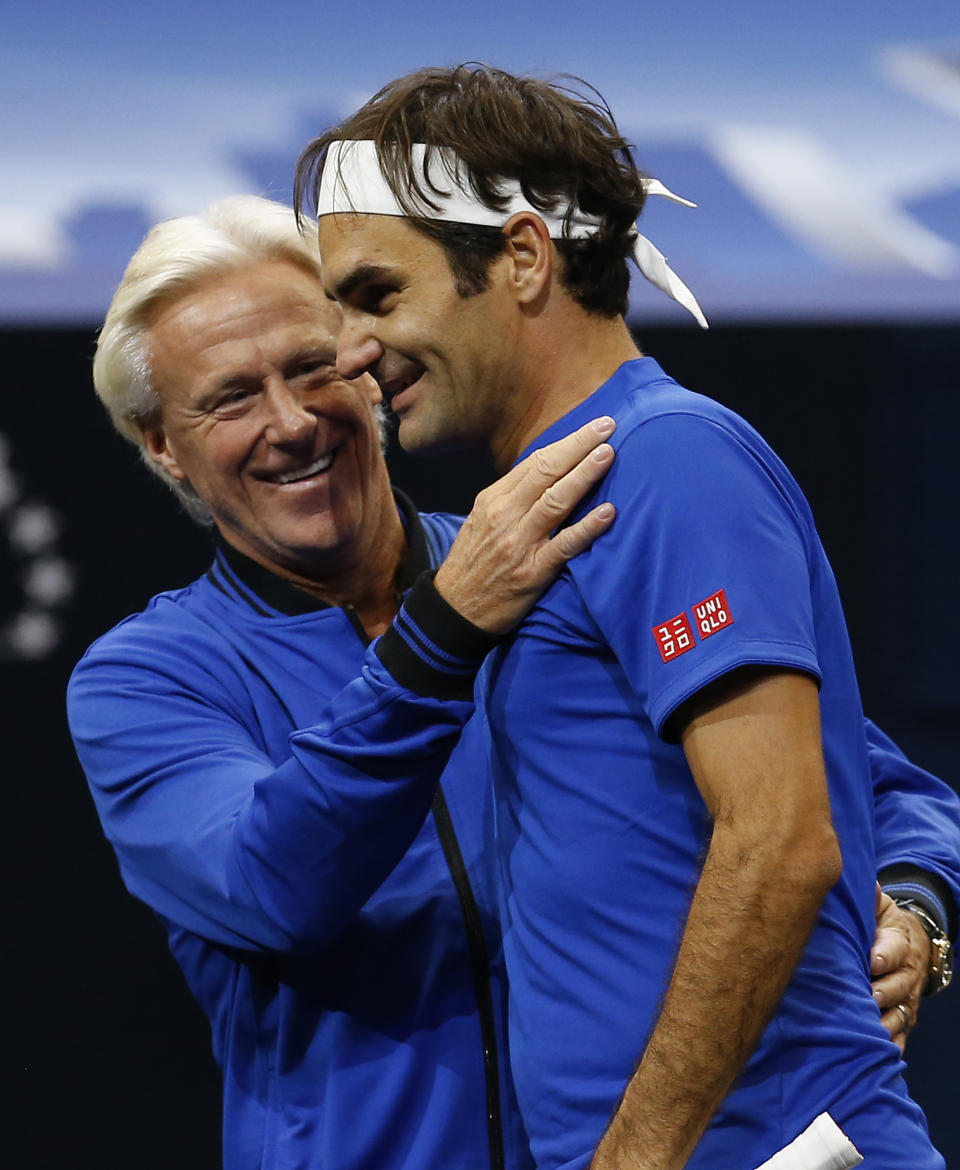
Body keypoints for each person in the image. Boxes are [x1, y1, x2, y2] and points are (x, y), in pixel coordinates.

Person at [70, 196, 954, 1170]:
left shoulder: (546, 549)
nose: (291, 421)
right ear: (163, 445)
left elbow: (862, 778)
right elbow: (275, 883)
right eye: (231, 397)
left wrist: (913, 905)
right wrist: (447, 631)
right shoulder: (143, 682)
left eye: (314, 366)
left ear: (366, 366)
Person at [299, 65, 957, 1169]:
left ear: (520, 258)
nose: (351, 349)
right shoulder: (569, 497)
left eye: (376, 295)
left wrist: (632, 1162)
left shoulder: (665, 460)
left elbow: (783, 840)